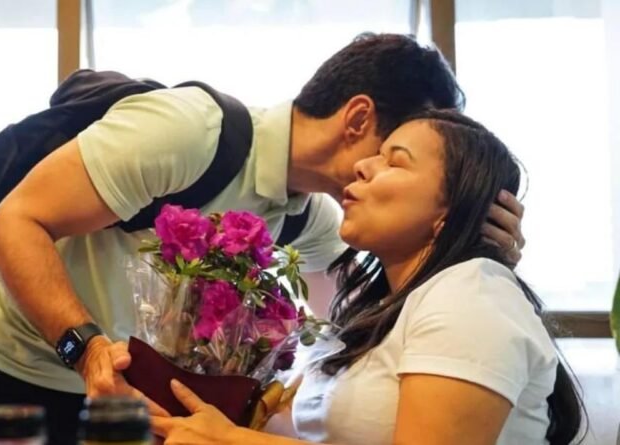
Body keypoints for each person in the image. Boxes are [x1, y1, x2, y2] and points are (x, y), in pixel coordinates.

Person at [0, 34, 526, 444]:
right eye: (395, 149)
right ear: (359, 119)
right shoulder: (188, 131)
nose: (375, 169)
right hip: (6, 371)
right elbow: (11, 224)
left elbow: (410, 285)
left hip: (120, 400)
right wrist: (87, 352)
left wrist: (481, 246)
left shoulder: (307, 218)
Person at [149, 110, 585, 445]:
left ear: (450, 209)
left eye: (395, 161)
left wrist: (231, 440)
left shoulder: (470, 295)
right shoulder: (385, 310)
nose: (362, 166)